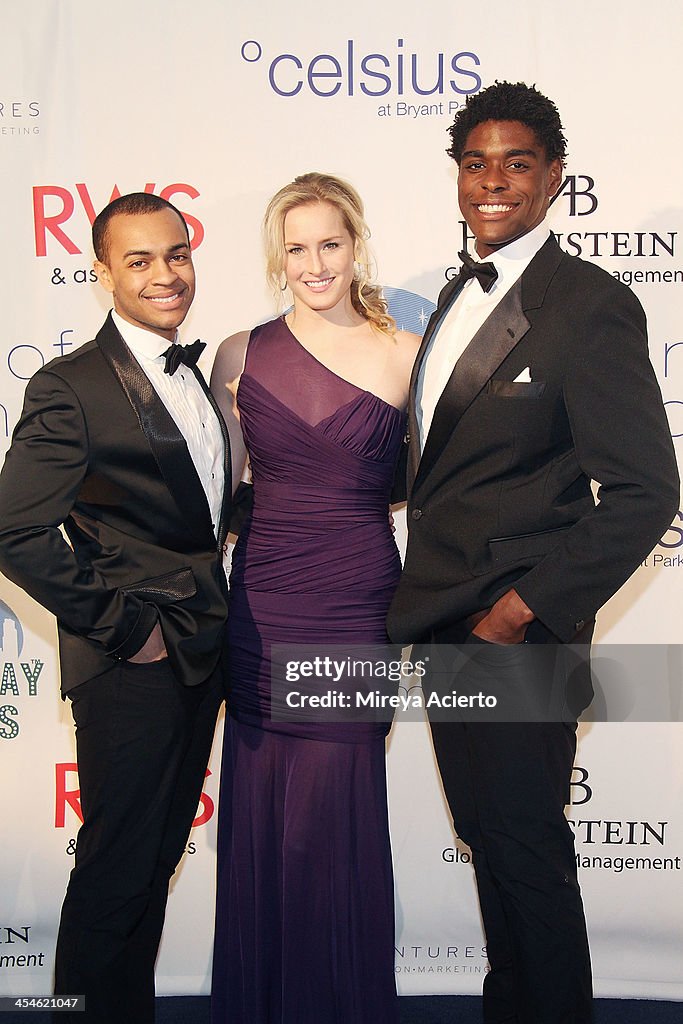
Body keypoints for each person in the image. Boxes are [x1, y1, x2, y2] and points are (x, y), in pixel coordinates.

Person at [387, 82, 679, 1024]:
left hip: (517, 635)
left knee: (525, 856)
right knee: (490, 844)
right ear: (456, 178)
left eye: (517, 162)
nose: (493, 180)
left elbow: (644, 491)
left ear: (554, 178)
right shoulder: (448, 301)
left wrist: (523, 610)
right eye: (476, 162)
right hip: (445, 624)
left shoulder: (588, 305)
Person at [0, 193, 233, 1024]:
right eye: (139, 261)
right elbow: (15, 531)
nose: (165, 275)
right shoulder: (71, 386)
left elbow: (192, 514)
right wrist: (127, 629)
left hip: (201, 653)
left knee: (153, 860)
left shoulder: (189, 369)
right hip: (132, 663)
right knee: (114, 870)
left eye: (176, 254)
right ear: (102, 274)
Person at [209, 172, 420, 1024]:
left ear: (355, 244)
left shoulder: (408, 353)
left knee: (335, 812)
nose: (314, 263)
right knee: (262, 806)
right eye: (295, 248)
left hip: (355, 603)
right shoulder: (238, 353)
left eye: (328, 243)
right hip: (262, 598)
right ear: (276, 257)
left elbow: (429, 486)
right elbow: (217, 493)